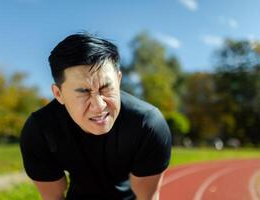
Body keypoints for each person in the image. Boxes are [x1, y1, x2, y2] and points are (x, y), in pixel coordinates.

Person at [20, 33, 172, 200]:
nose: (99, 105)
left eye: (106, 88)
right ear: (59, 94)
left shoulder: (147, 125)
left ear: (119, 80)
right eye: (83, 92)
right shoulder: (40, 131)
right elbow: (53, 197)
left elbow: (147, 197)